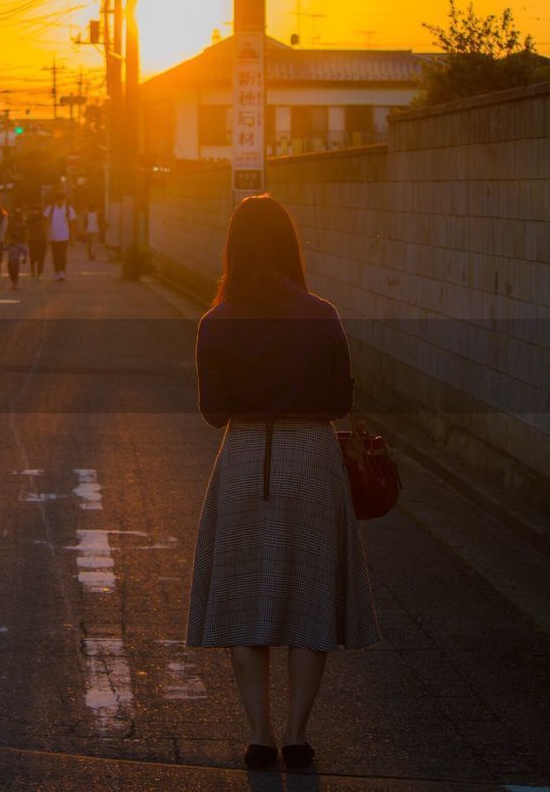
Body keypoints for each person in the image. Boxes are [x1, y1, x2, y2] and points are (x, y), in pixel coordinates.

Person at [186, 194, 380, 772]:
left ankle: (258, 733)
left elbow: (213, 412)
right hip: (313, 461)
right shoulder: (321, 314)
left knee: (245, 596)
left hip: (245, 459)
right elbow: (340, 400)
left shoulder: (216, 323)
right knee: (310, 599)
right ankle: (297, 734)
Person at [44, 191, 75, 281]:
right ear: (56, 200)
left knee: (62, 255)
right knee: (55, 255)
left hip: (64, 236)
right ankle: (57, 270)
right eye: (58, 200)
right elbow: (45, 221)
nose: (60, 202)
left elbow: (72, 223)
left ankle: (62, 272)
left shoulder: (68, 209)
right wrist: (46, 235)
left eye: (62, 200)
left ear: (64, 200)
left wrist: (72, 236)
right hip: (53, 236)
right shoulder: (51, 208)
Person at [4, 209, 28, 291]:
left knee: (15, 273)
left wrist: (25, 257)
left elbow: (25, 250)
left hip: (16, 260)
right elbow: (5, 248)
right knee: (11, 273)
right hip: (10, 260)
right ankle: (14, 283)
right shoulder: (18, 224)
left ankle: (15, 284)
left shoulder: (18, 224)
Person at [26, 204, 48, 279]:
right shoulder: (30, 218)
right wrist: (32, 216)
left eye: (38, 210)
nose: (36, 212)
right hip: (32, 240)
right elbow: (27, 223)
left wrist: (47, 240)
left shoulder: (43, 218)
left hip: (42, 240)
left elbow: (46, 228)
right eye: (34, 210)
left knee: (41, 257)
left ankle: (39, 273)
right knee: (33, 257)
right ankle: (33, 271)